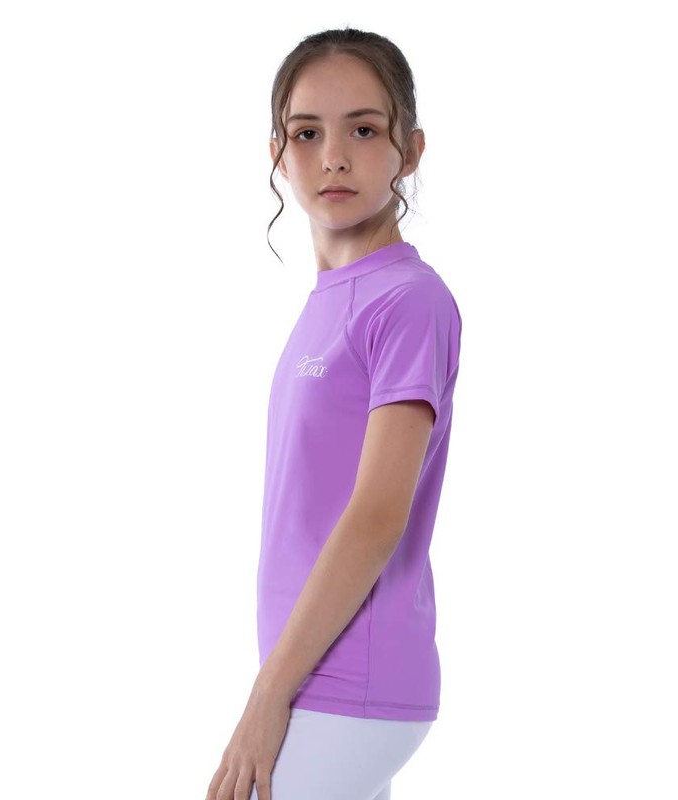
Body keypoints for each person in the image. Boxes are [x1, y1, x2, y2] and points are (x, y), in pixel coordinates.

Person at [206, 26, 463, 800]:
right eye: (307, 133)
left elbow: (376, 516)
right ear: (277, 154)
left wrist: (267, 696)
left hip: (350, 685)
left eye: (364, 130)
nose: (334, 157)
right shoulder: (329, 304)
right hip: (316, 680)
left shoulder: (407, 301)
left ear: (410, 150)